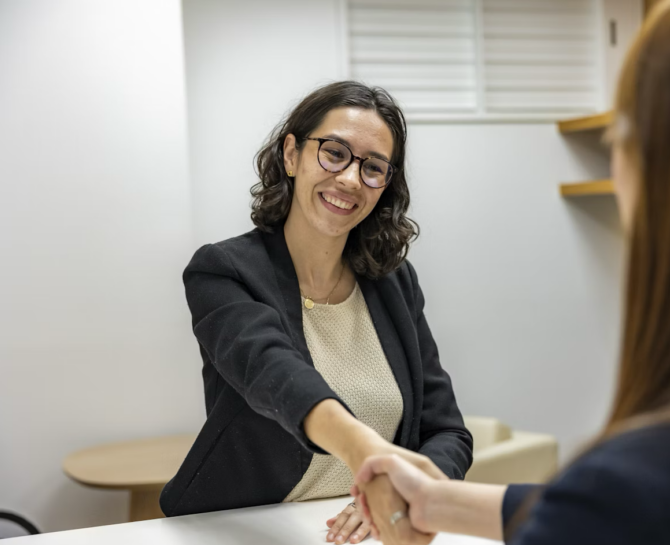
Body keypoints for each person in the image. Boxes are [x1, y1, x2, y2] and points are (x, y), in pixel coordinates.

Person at [352, 0, 670, 543]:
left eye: (621, 139)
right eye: (334, 154)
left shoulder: (645, 483)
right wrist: (438, 501)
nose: (351, 180)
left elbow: (624, 506)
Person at [159, 81, 473, 545]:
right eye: (334, 153)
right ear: (291, 155)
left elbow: (447, 432)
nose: (349, 179)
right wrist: (367, 453)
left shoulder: (393, 283)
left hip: (362, 531)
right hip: (241, 530)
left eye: (372, 168)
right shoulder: (223, 270)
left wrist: (404, 494)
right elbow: (275, 375)